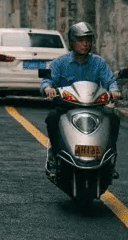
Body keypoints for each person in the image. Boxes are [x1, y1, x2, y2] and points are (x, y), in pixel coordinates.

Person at [41, 21, 121, 176]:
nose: (85, 44)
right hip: (67, 105)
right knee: (52, 118)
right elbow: (47, 79)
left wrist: (114, 91)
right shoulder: (59, 62)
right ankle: (55, 155)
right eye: (80, 40)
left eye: (88, 40)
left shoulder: (99, 62)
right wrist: (48, 88)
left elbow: (110, 80)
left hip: (94, 106)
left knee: (113, 117)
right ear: (72, 42)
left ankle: (110, 159)